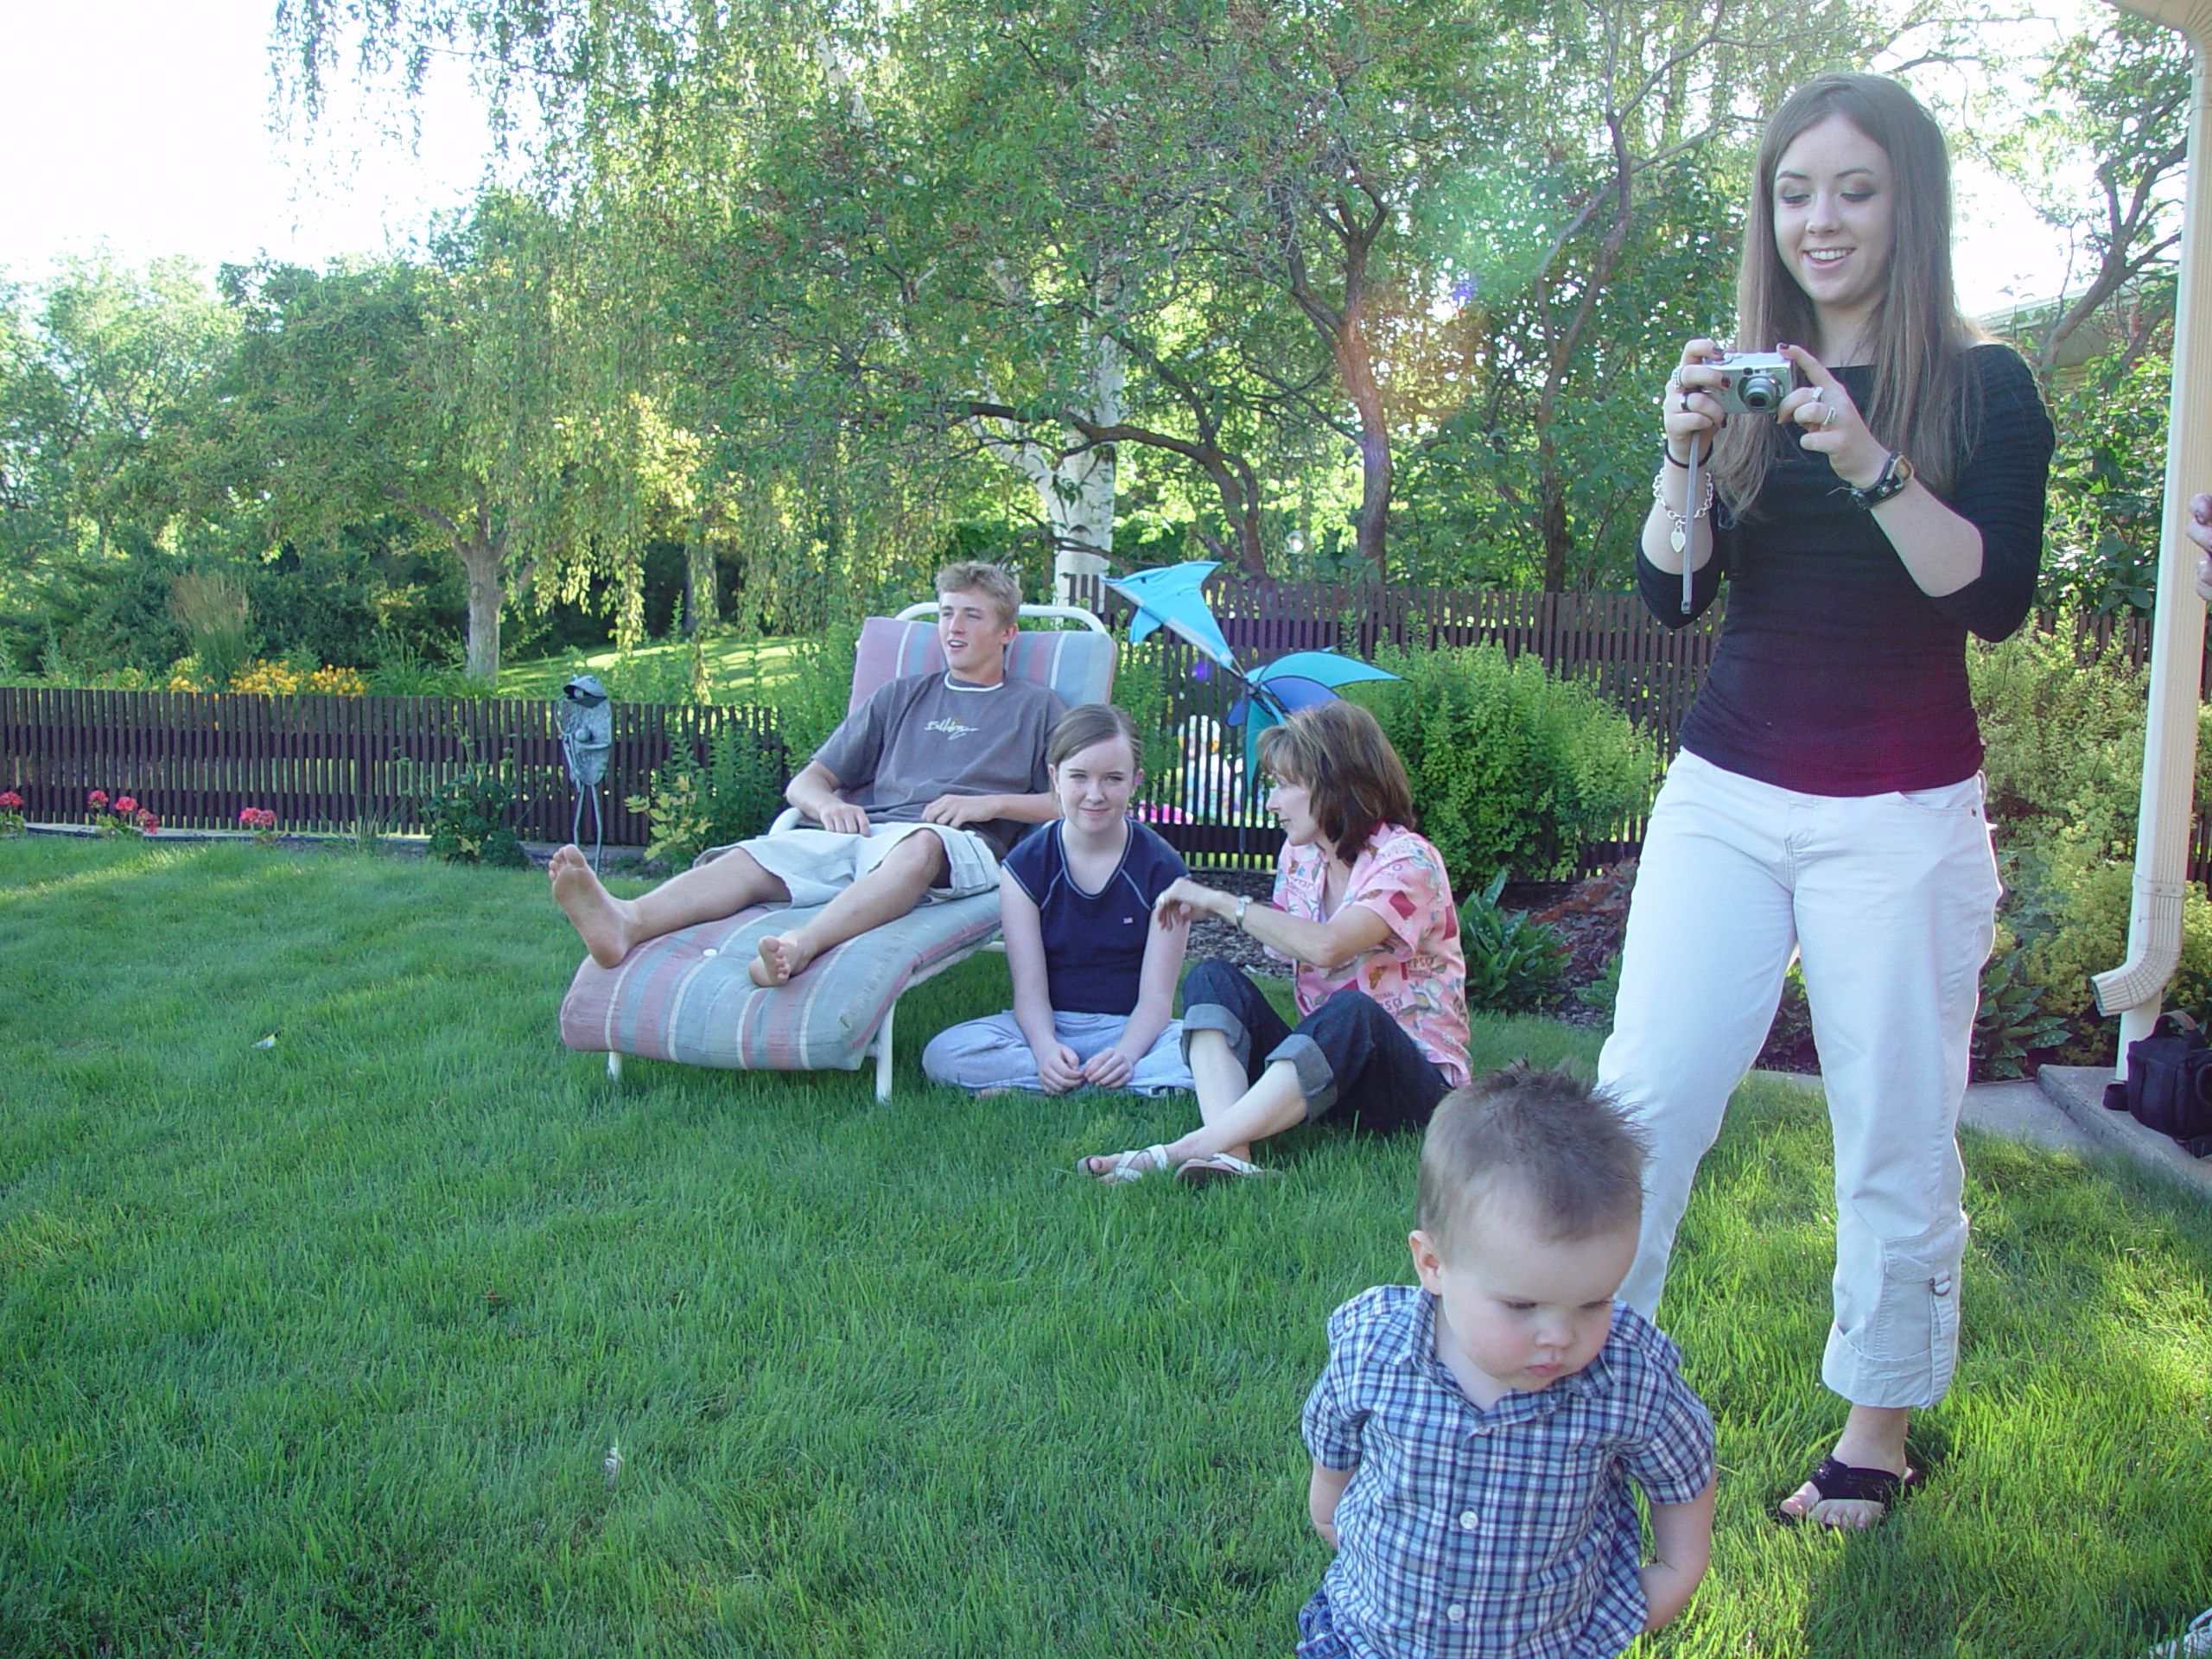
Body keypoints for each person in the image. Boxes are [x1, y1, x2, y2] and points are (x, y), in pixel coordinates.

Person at [1615, 73, 2055, 1528]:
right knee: (1646, 1097)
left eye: (1855, 191)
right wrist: (1683, 455)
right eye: (1796, 192)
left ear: (1909, 206)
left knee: (1894, 1124)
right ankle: (1597, 1386)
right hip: (1726, 795)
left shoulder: (1985, 389)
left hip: (1901, 813)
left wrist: (1866, 460)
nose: (1821, 220)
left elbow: (1987, 598)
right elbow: (1672, 597)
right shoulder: (1747, 385)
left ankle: (1875, 1433)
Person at [1300, 1065, 1717, 1659]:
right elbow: (1333, 1439)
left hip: (1546, 1643)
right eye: (1522, 1305)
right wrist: (1330, 1515)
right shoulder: (1376, 1350)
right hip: (1369, 1638)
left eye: (1594, 1302)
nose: (1560, 1336)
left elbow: (1685, 1467)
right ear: (1434, 1264)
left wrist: (1679, 1568)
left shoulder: (1627, 1377)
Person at [550, 562, 1064, 986]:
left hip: (954, 845)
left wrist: (990, 805)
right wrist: (827, 805)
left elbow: (1072, 803)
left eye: (972, 616)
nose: (954, 628)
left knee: (921, 846)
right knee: (754, 857)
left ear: (1007, 633)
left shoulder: (1038, 707)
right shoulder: (901, 696)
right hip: (862, 834)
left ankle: (800, 945)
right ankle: (627, 921)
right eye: (947, 613)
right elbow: (805, 784)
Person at [1081, 699, 1470, 1184]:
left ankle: (1178, 1150)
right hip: (1327, 1071)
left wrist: (1224, 901)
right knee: (1212, 978)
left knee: (1354, 1013)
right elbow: (1287, 939)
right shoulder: (1300, 857)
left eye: (1285, 785)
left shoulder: (1409, 860)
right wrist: (1217, 913)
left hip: (1410, 1086)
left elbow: (1328, 947)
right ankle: (1234, 1154)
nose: (1271, 803)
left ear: (1337, 784)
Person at [921, 703, 1194, 1096]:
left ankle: (1050, 1086)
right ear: (1055, 778)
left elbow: (1156, 998)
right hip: (1049, 1026)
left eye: (1113, 779)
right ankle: (1089, 1082)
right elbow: (1029, 991)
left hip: (1131, 1030)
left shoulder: (1163, 869)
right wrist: (1045, 1049)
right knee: (944, 1054)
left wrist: (1127, 1054)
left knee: (1207, 1047)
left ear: (1136, 781)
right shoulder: (1025, 866)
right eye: (1079, 777)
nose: (1095, 795)